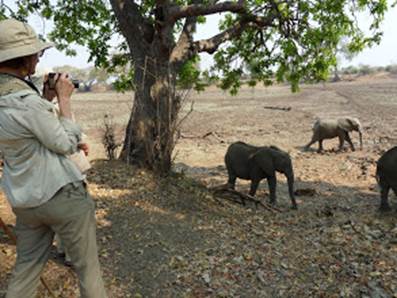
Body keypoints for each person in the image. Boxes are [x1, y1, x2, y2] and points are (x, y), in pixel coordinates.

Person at [0, 19, 107, 298]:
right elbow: (63, 143)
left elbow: (25, 133)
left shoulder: (16, 99)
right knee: (88, 269)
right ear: (22, 58)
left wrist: (45, 101)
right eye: (36, 53)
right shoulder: (29, 102)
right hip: (62, 196)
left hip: (26, 202)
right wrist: (64, 101)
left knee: (25, 270)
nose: (38, 58)